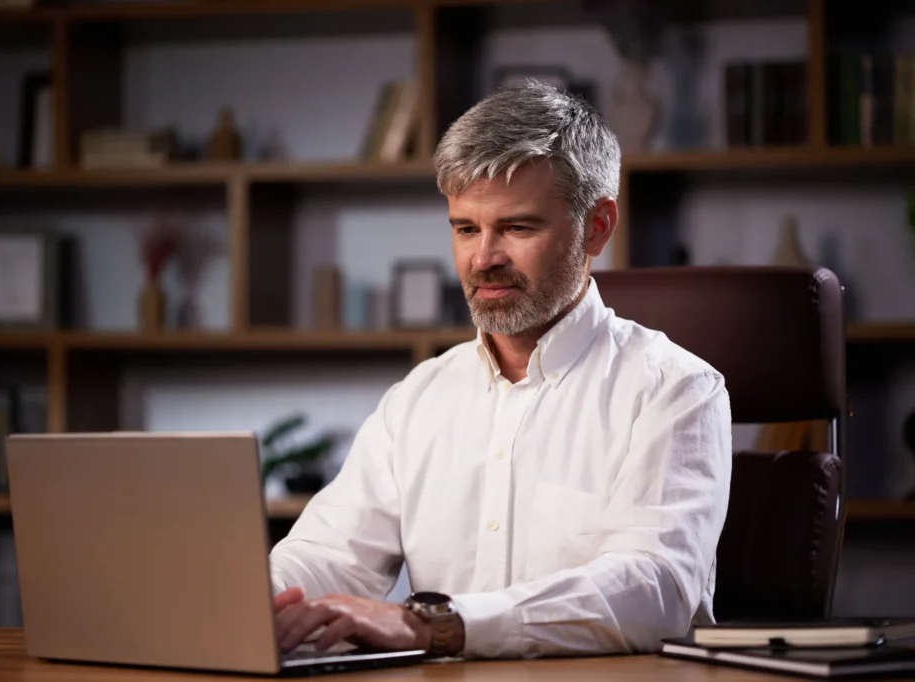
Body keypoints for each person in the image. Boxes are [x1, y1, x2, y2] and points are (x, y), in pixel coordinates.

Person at [267, 81, 732, 661]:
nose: (483, 257)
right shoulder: (418, 398)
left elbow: (651, 590)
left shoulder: (675, 390)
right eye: (465, 228)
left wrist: (432, 625)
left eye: (517, 227)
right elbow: (328, 556)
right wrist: (247, 602)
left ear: (598, 226)